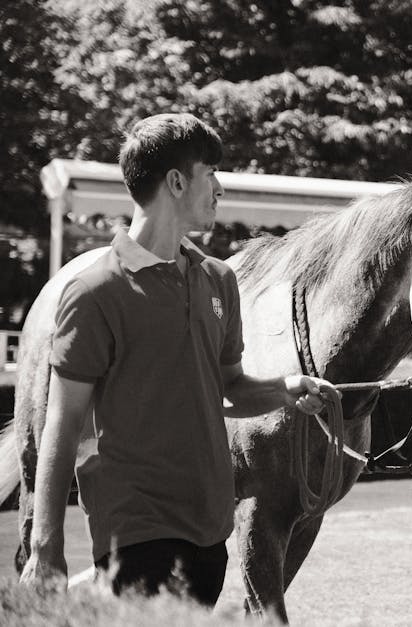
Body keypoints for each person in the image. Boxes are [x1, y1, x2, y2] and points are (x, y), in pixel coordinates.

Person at [19, 113, 336, 606]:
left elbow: (229, 387)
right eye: (211, 173)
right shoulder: (94, 291)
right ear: (176, 182)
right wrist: (45, 544)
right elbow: (62, 422)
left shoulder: (218, 280)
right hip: (136, 530)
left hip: (210, 533)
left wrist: (284, 389)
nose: (219, 188)